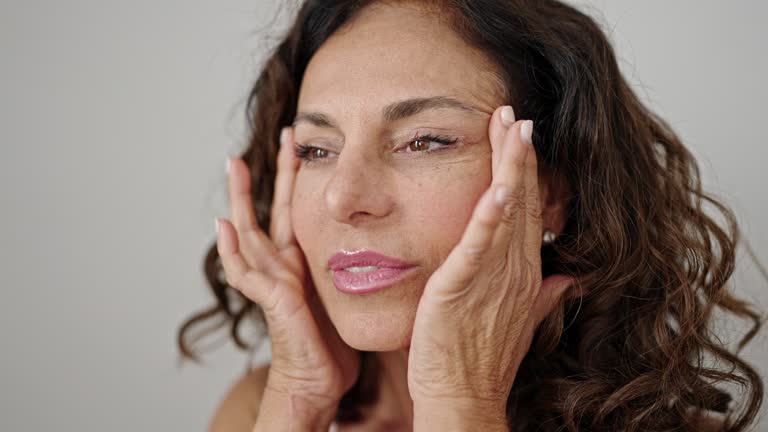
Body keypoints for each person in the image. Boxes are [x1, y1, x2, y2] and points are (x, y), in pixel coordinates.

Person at [177, 1, 765, 430]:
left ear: (550, 192)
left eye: (426, 141)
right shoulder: (263, 409)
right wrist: (298, 397)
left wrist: (461, 404)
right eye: (316, 151)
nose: (343, 198)